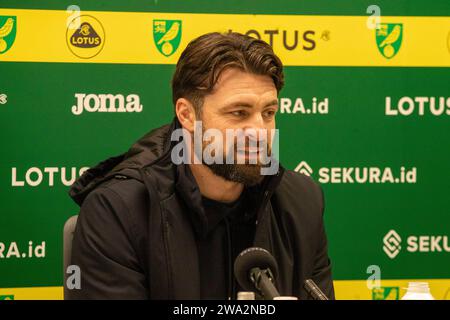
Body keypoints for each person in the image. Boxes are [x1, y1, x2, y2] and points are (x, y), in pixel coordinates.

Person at [67, 32, 335, 300]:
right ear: (186, 114)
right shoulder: (119, 211)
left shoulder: (302, 203)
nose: (260, 132)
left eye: (268, 113)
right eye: (239, 113)